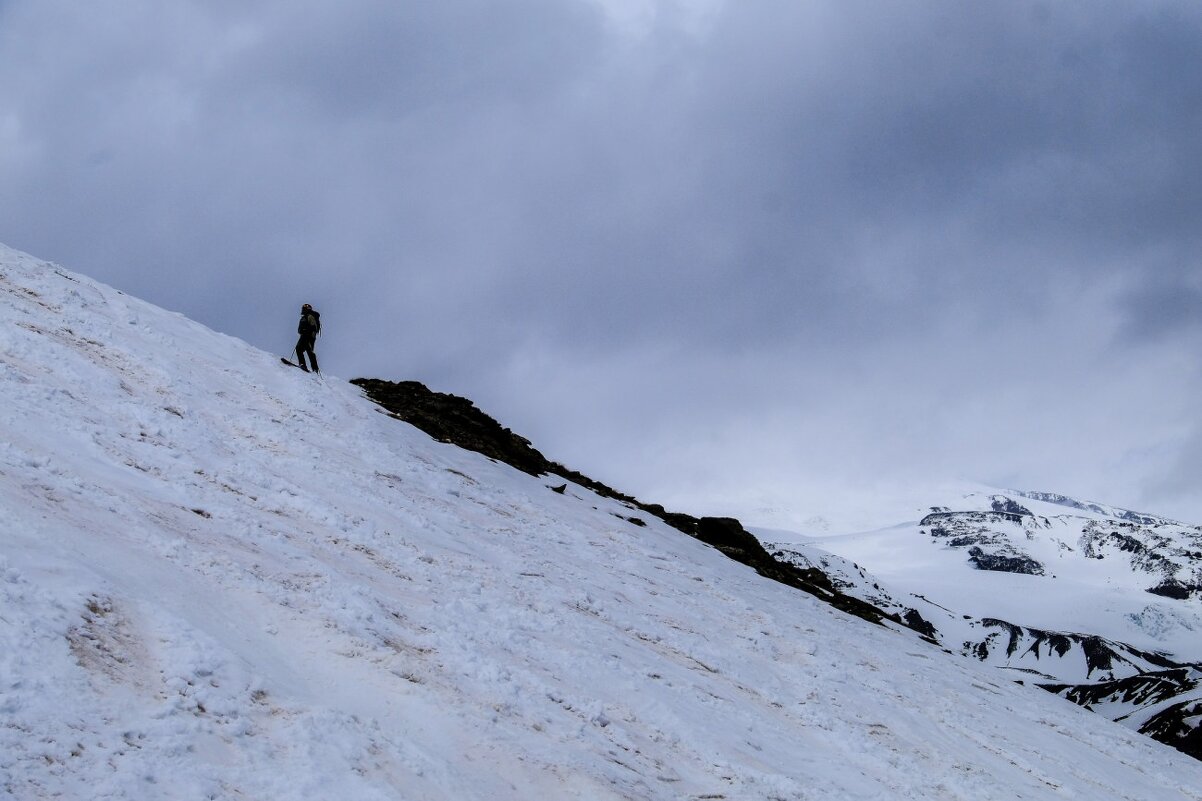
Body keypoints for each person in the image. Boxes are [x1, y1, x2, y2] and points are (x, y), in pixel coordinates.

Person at [295, 303, 321, 373]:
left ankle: (315, 369)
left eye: (305, 308)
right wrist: (301, 331)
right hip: (304, 336)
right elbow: (299, 329)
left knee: (309, 351)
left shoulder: (310, 316)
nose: (303, 309)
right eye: (303, 308)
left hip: (309, 337)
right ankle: (302, 364)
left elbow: (314, 327)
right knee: (299, 349)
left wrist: (306, 331)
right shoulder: (303, 318)